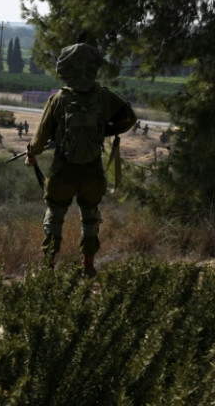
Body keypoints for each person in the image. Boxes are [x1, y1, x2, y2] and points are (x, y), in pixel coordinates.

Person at [25, 42, 136, 277]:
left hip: (62, 169)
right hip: (92, 171)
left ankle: (48, 267)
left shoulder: (58, 100)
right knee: (90, 217)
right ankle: (88, 266)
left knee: (54, 216)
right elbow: (129, 117)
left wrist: (31, 153)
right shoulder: (104, 97)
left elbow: (39, 139)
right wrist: (106, 130)